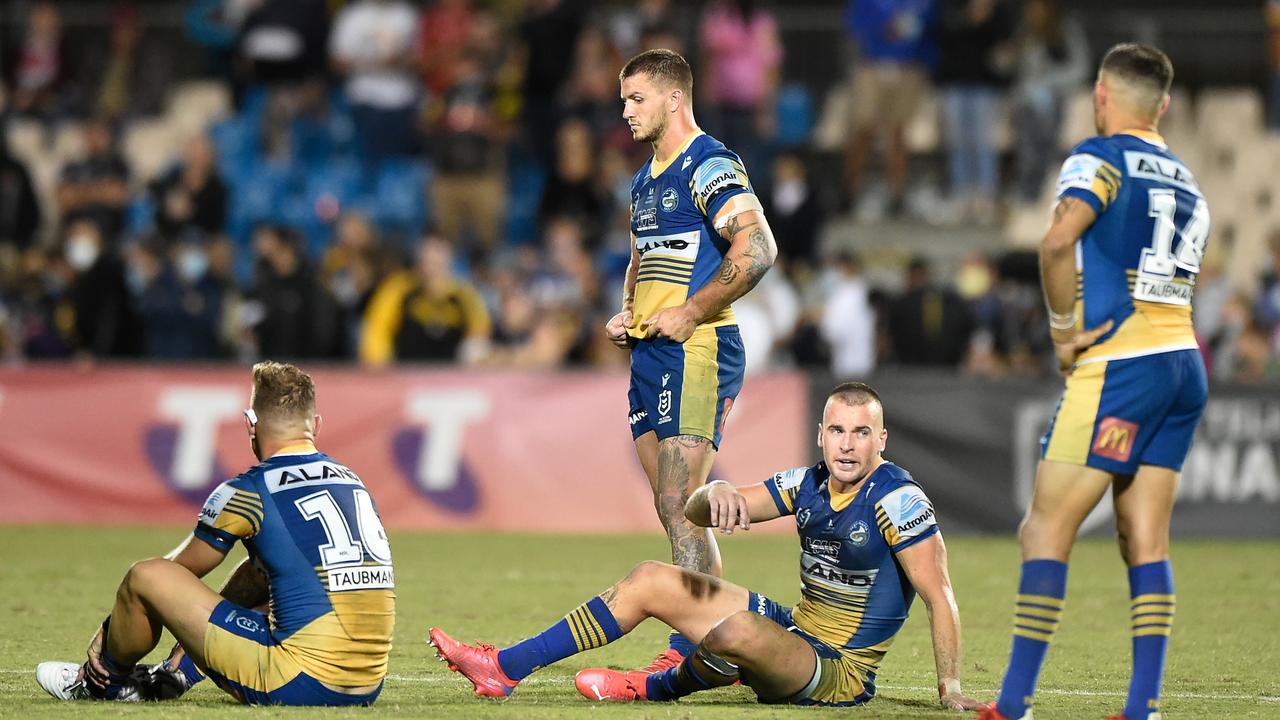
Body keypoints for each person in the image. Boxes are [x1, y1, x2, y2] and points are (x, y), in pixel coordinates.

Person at [430, 383, 984, 710]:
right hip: (794, 628)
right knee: (650, 576)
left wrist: (950, 687)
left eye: (861, 433)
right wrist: (713, 493)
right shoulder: (807, 483)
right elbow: (698, 511)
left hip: (836, 670)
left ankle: (652, 687)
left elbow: (941, 597)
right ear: (821, 434)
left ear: (880, 440)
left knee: (738, 631)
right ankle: (503, 667)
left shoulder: (899, 501)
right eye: (838, 431)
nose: (847, 444)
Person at [977, 44, 1210, 720]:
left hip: (1120, 365)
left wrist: (1060, 331)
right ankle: (1143, 708)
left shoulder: (1099, 155)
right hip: (1183, 363)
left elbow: (1057, 242)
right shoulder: (1187, 178)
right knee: (1146, 540)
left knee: (1044, 529)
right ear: (1163, 105)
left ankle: (1013, 704)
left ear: (1101, 95)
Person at [35, 361, 395, 706]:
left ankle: (102, 682)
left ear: (250, 423)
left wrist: (110, 627)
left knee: (144, 577)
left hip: (300, 680)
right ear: (315, 425)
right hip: (367, 682)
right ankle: (175, 673)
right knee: (260, 570)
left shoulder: (249, 491)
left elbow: (174, 575)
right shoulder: (353, 480)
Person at [604, 48, 777, 673]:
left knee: (681, 504)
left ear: (675, 99)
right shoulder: (645, 179)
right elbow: (641, 260)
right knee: (674, 509)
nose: (625, 111)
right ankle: (720, 645)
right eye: (623, 99)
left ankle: (693, 650)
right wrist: (629, 310)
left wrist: (693, 309)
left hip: (697, 349)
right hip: (651, 353)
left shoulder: (709, 164)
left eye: (637, 98)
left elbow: (757, 248)